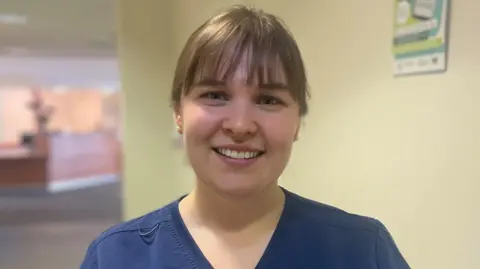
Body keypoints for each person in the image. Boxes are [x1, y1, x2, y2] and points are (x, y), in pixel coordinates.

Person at [80, 5, 410, 269]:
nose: (240, 125)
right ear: (178, 113)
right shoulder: (116, 256)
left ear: (298, 121)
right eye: (215, 95)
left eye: (268, 100)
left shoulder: (363, 251)